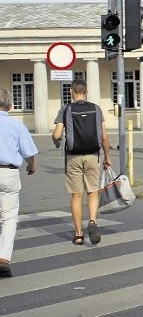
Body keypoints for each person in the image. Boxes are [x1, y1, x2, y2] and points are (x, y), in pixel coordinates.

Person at [52, 80, 111, 246]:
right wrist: (107, 157)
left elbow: (57, 135)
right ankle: (92, 221)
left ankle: (78, 235)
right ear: (87, 91)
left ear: (71, 91)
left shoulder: (65, 109)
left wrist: (56, 142)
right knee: (93, 191)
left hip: (73, 156)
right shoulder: (96, 109)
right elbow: (104, 136)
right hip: (93, 155)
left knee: (76, 195)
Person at [0, 88, 38, 278]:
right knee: (8, 217)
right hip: (9, 173)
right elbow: (29, 153)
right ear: (10, 106)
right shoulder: (17, 126)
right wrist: (32, 166)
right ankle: (4, 258)